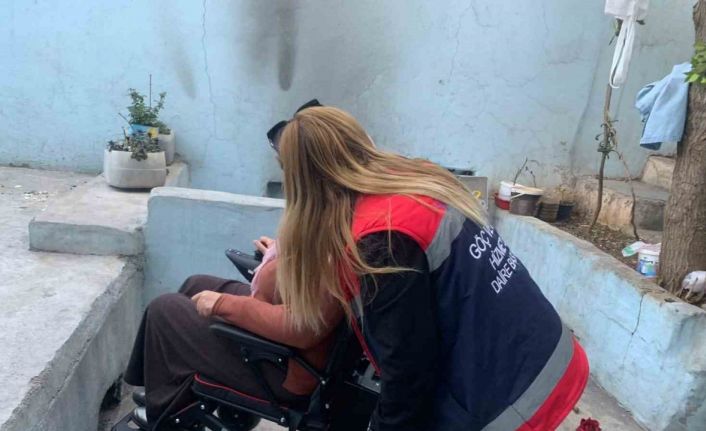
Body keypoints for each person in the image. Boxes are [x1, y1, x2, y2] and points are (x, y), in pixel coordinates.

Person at [270, 105, 590, 431]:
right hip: (547, 352)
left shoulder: (382, 241)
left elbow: (408, 372)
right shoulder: (416, 181)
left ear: (298, 179)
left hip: (520, 398)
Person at [123, 234, 344, 429]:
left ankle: (164, 418)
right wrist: (283, 254)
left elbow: (303, 326)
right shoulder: (349, 227)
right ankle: (162, 389)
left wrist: (224, 305)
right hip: (297, 344)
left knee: (165, 310)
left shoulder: (346, 249)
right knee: (196, 284)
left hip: (289, 371)